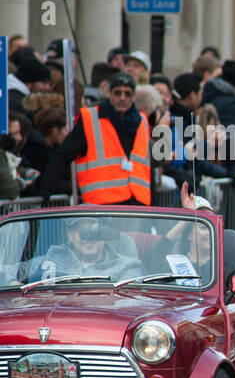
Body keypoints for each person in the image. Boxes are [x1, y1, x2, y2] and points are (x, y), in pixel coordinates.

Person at [39, 72, 151, 204]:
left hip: (137, 203)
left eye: (127, 93)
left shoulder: (142, 121)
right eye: (118, 93)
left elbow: (149, 166)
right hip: (102, 206)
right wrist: (46, 190)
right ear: (108, 93)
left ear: (134, 96)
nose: (122, 98)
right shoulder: (90, 119)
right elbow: (63, 155)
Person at [30, 216, 144, 281]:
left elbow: (128, 302)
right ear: (70, 234)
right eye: (81, 230)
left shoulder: (127, 266)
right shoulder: (52, 260)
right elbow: (13, 272)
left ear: (104, 232)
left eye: (94, 230)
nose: (88, 238)